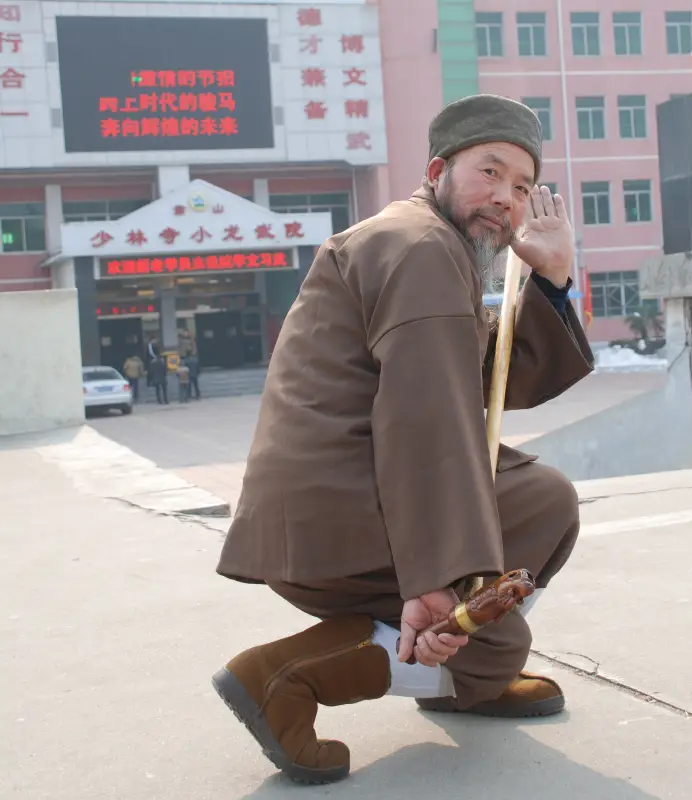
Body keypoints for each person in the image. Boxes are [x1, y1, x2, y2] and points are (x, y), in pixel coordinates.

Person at [212, 94, 595, 785]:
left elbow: (487, 381)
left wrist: (554, 280)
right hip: (342, 517)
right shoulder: (422, 250)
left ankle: (475, 672)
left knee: (536, 499)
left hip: (331, 507)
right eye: (489, 172)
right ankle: (287, 678)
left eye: (521, 186)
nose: (506, 199)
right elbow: (427, 420)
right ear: (438, 168)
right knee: (535, 513)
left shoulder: (424, 240)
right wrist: (434, 580)